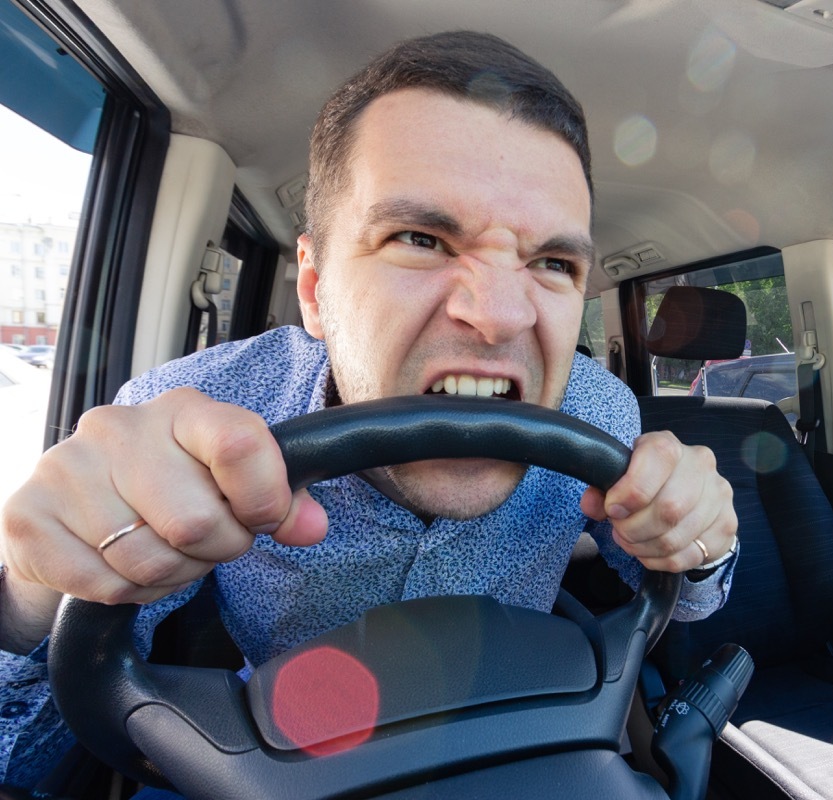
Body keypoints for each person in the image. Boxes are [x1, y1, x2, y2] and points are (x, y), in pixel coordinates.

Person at [0, 30, 738, 788]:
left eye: (551, 263)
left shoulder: (599, 409)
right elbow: (24, 750)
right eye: (420, 238)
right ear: (315, 289)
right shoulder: (200, 414)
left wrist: (700, 539)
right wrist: (28, 601)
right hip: (271, 762)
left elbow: (683, 601)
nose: (500, 316)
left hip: (523, 741)